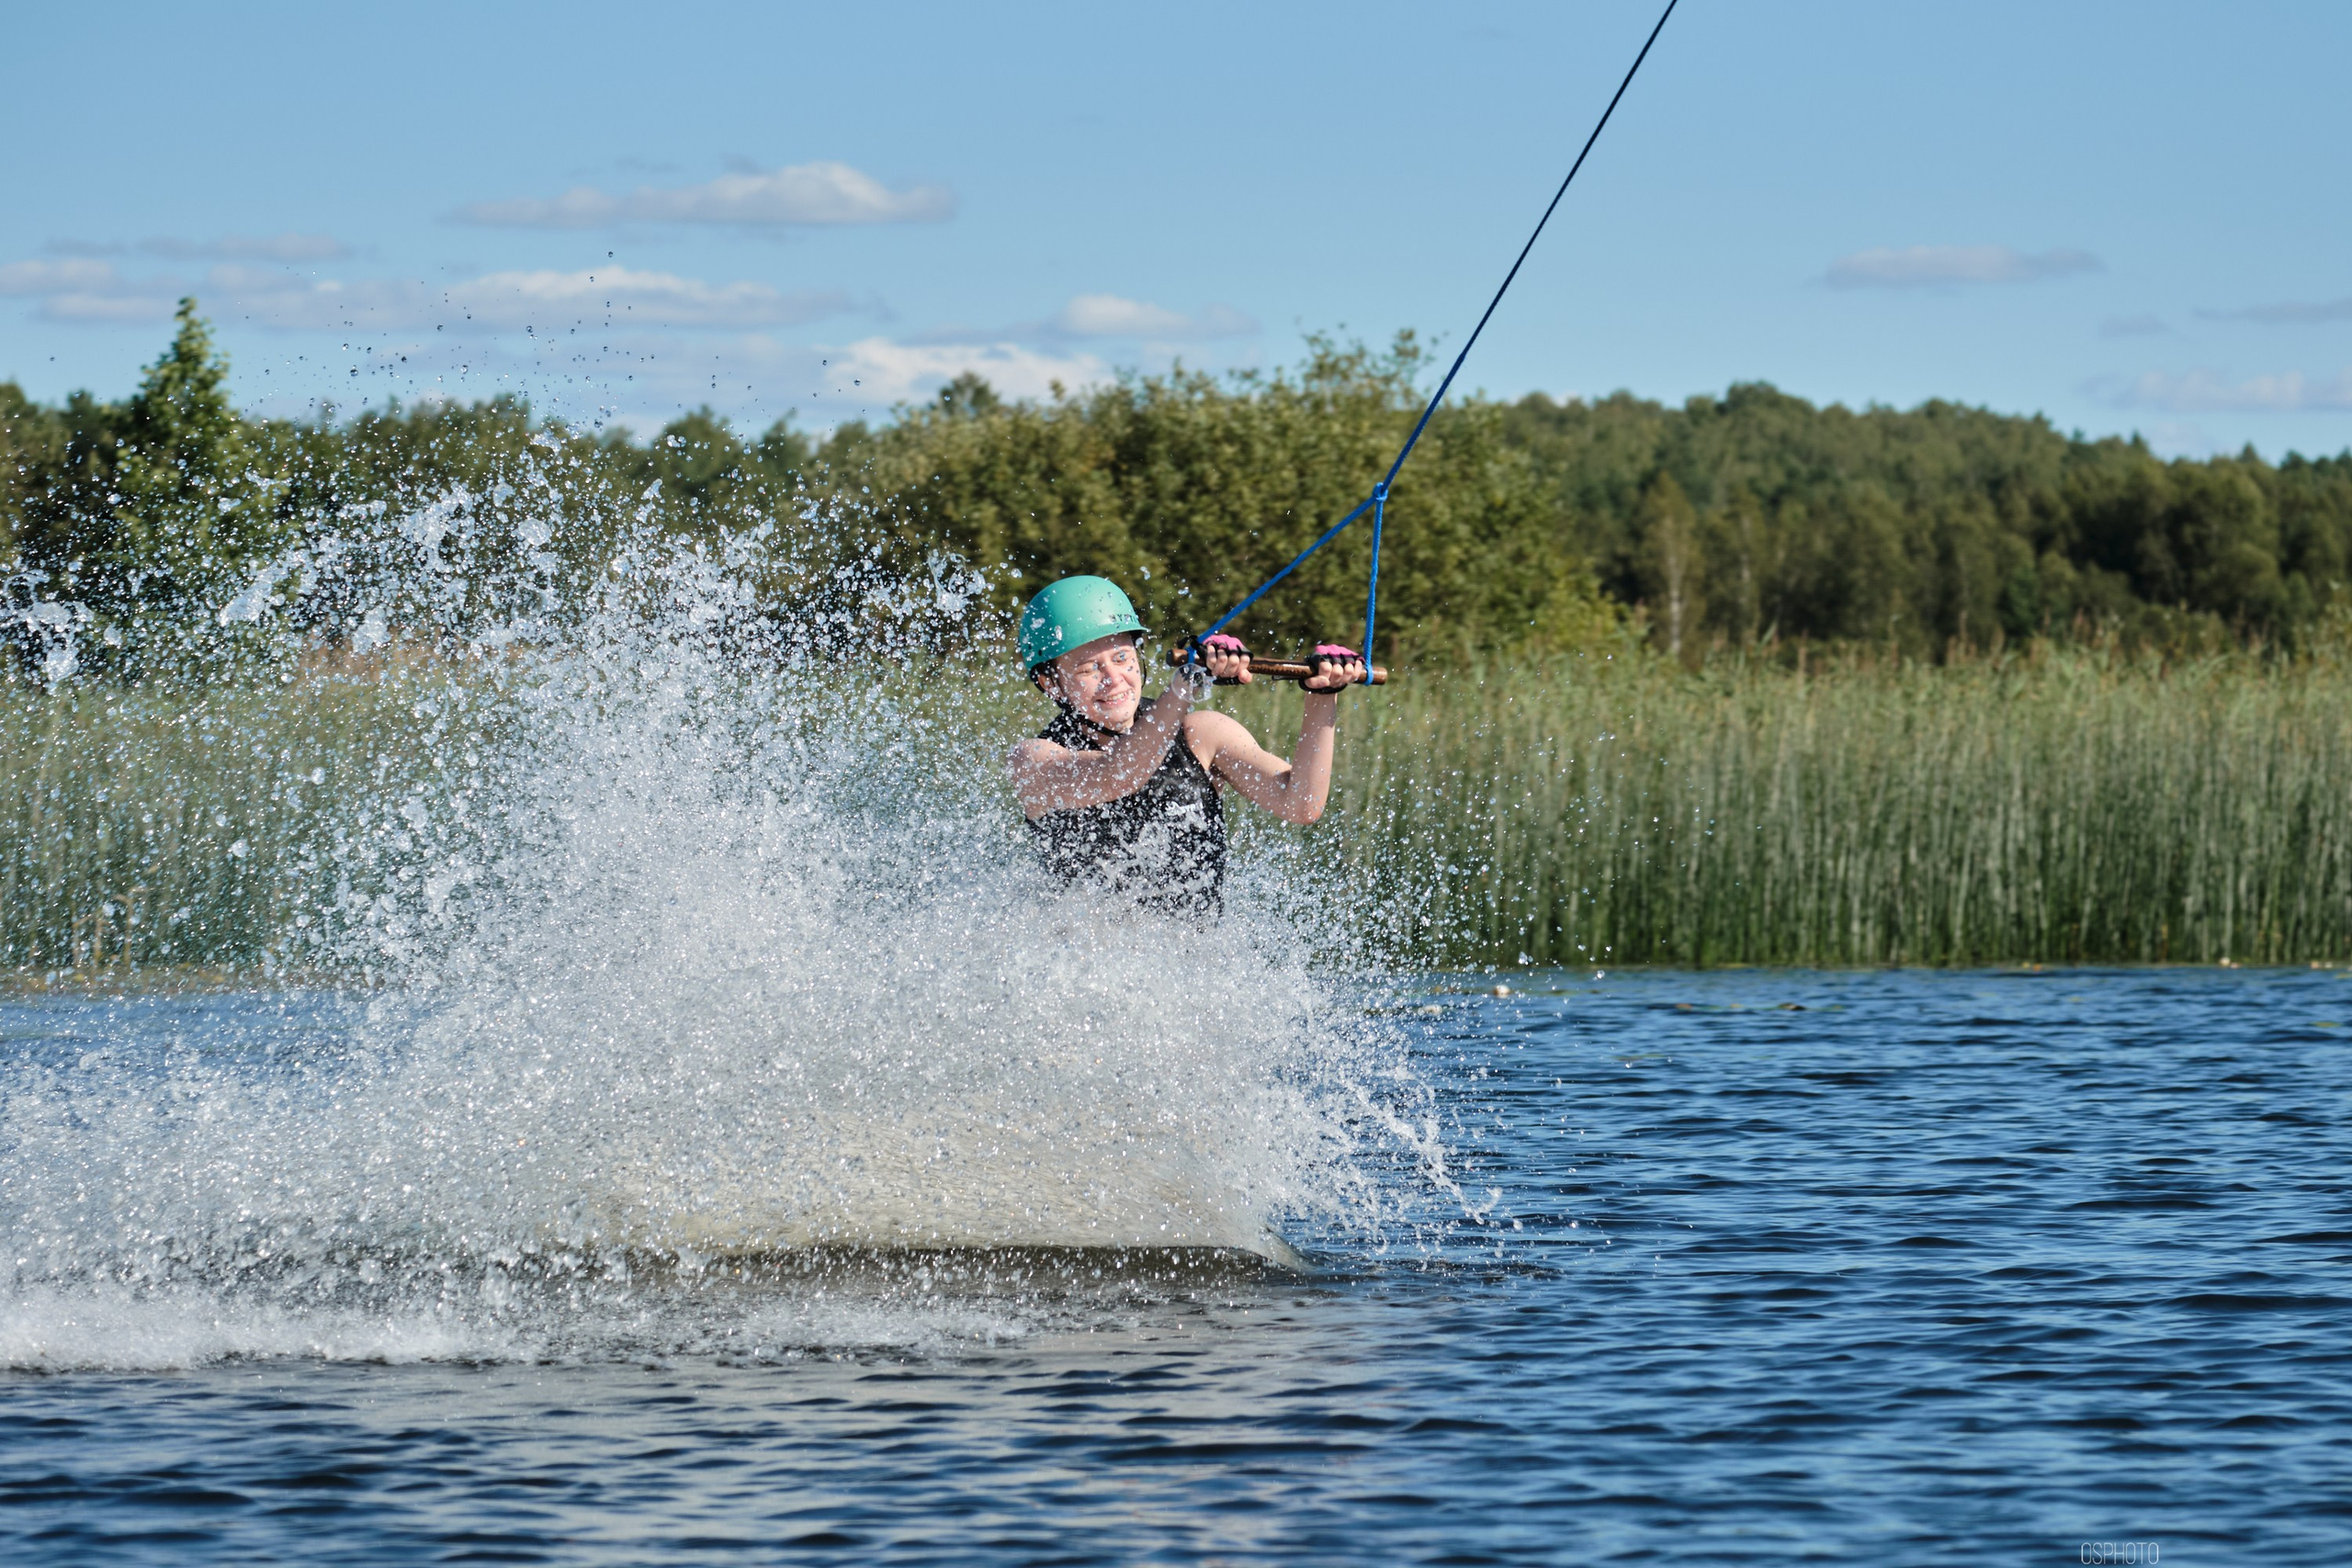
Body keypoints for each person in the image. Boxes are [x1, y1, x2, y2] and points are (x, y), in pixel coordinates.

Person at [1008, 575, 1367, 912]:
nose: (1114, 679)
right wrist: (1186, 684)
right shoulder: (1036, 761)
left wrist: (1324, 693)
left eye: (1122, 659)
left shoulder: (1202, 735)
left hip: (1194, 953)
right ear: (1050, 684)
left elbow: (1301, 805)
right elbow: (1120, 774)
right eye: (1090, 668)